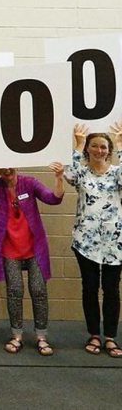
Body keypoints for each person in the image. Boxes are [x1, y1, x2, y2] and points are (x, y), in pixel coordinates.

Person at [0, 156, 64, 356]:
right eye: (4, 165)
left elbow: (54, 198)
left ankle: (41, 336)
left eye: (11, 164)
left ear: (17, 164)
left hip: (34, 249)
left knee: (39, 290)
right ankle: (16, 335)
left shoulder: (29, 182)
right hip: (10, 250)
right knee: (15, 291)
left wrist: (59, 178)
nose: (8, 169)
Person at [66, 123, 122, 358]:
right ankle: (93, 335)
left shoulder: (116, 173)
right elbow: (69, 175)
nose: (99, 150)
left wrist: (119, 144)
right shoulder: (82, 174)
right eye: (94, 146)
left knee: (111, 289)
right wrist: (78, 144)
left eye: (103, 147)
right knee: (89, 288)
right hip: (85, 242)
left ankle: (109, 336)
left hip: (114, 242)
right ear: (89, 149)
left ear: (108, 151)